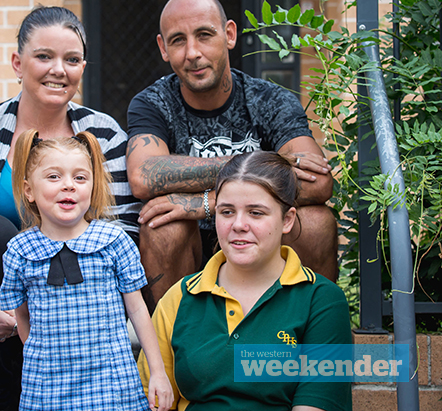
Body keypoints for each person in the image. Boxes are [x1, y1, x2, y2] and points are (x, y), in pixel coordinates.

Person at [0, 5, 141, 410]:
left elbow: (125, 228)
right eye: (44, 57)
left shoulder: (104, 135)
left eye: (71, 60)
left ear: (83, 67)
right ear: (17, 63)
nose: (59, 69)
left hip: (80, 307)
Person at [126, 0, 337, 310]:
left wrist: (208, 203)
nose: (192, 52)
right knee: (162, 227)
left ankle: (311, 340)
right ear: (163, 48)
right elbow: (144, 176)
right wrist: (267, 164)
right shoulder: (153, 103)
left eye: (204, 35)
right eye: (178, 40)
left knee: (316, 222)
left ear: (229, 35)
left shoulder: (270, 100)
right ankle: (174, 348)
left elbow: (318, 182)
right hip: (189, 247)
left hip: (261, 240)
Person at [138, 151, 352, 411]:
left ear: (287, 220)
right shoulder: (181, 297)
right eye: (227, 212)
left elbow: (319, 404)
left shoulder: (321, 299)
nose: (238, 225)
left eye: (256, 213)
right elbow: (152, 401)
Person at [0, 130, 173, 411]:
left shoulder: (113, 242)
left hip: (110, 384)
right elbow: (22, 316)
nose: (69, 186)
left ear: (92, 187)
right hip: (47, 388)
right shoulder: (20, 252)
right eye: (54, 177)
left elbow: (138, 311)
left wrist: (158, 372)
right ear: (28, 189)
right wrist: (42, 357)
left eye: (80, 177)